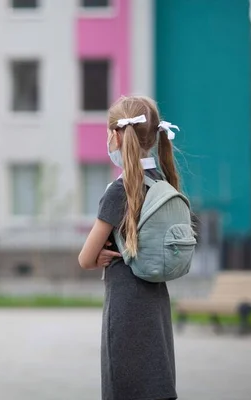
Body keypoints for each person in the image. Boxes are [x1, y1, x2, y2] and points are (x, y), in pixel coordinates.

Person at [78, 96, 181, 400]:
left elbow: (85, 258)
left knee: (125, 389)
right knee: (156, 385)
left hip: (125, 306)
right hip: (156, 303)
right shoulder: (162, 182)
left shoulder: (119, 191)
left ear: (117, 136)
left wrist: (97, 256)